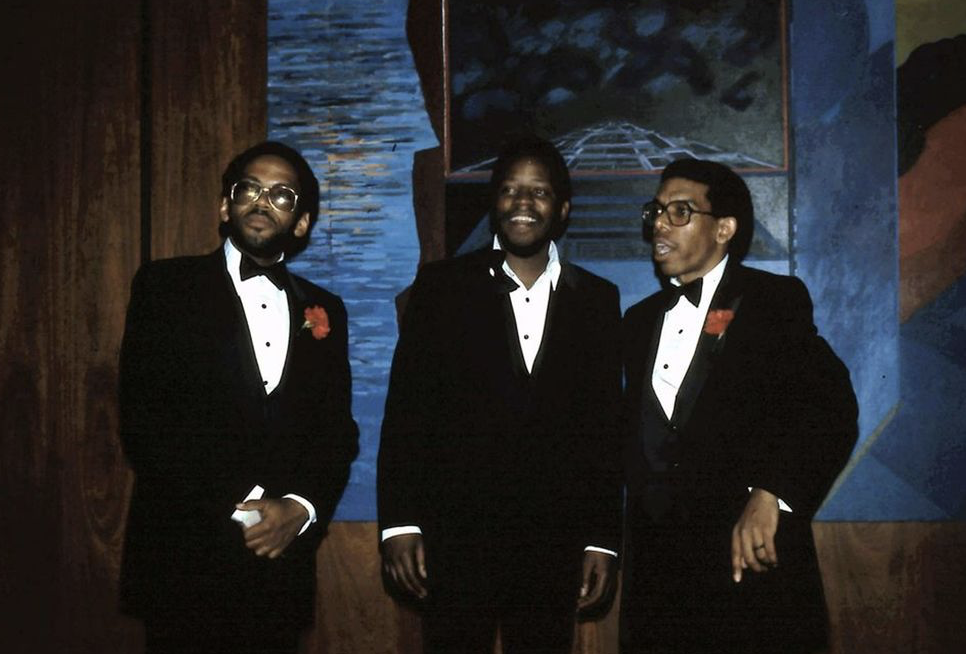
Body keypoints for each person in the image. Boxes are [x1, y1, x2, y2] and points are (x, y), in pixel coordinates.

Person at [378, 135, 623, 653]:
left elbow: (603, 433)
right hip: (453, 541)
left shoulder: (598, 300)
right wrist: (400, 524)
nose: (523, 202)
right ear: (494, 203)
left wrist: (601, 539)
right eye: (510, 189)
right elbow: (407, 415)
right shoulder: (440, 288)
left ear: (562, 209)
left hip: (555, 547)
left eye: (539, 191)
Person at [118, 141, 359, 654]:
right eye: (249, 188)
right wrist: (248, 510)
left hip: (279, 569)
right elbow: (145, 420)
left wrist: (300, 509)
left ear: (301, 223)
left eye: (281, 194)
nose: (261, 201)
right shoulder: (165, 287)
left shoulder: (326, 310)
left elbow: (336, 433)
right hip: (183, 562)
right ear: (226, 206)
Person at [620, 158, 858, 654]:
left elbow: (831, 407)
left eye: (680, 212)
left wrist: (773, 492)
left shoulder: (773, 300)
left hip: (750, 578)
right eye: (656, 211)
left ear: (724, 229)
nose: (660, 224)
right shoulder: (637, 321)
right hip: (659, 589)